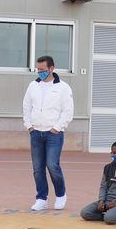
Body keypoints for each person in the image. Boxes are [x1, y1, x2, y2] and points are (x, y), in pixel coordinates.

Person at [22, 55, 74, 212]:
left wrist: (57, 127)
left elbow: (68, 110)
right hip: (36, 132)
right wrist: (29, 126)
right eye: (38, 69)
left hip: (54, 134)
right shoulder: (33, 85)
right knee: (38, 168)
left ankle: (60, 194)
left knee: (52, 165)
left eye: (43, 69)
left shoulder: (63, 87)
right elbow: (26, 106)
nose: (40, 72)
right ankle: (41, 198)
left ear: (51, 68)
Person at [80, 141, 116, 225]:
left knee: (109, 220)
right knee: (84, 213)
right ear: (111, 154)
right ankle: (111, 216)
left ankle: (114, 216)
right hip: (106, 200)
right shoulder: (107, 167)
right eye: (114, 153)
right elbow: (103, 186)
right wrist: (101, 200)